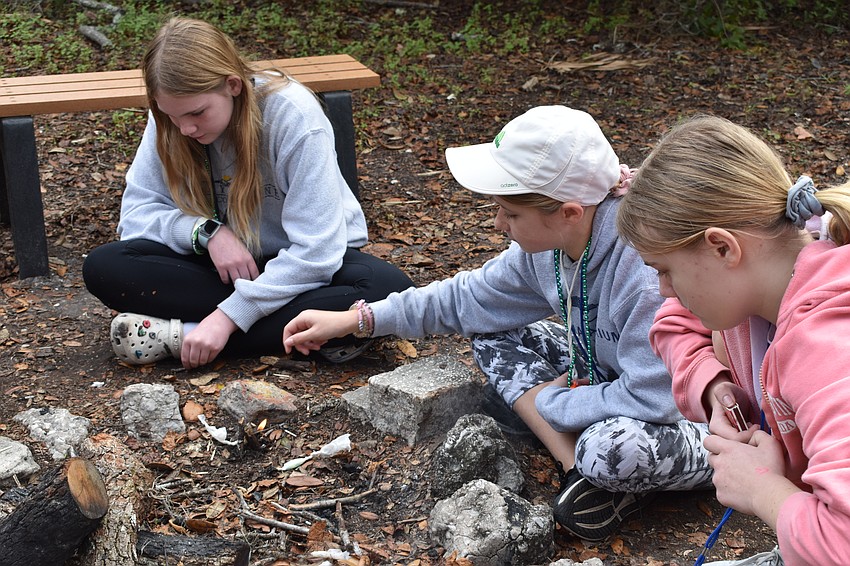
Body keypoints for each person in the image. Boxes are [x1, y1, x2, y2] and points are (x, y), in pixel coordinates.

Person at [282, 105, 714, 541]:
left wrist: (557, 403)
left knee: (609, 450)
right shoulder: (545, 249)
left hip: (693, 416)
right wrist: (359, 319)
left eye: (511, 213)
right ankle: (574, 473)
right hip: (606, 375)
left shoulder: (643, 274)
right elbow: (466, 299)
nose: (498, 223)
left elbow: (659, 398)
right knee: (491, 331)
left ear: (569, 213)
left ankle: (609, 471)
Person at [82, 17, 413, 370]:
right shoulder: (174, 116)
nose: (186, 128)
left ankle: (184, 336)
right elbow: (136, 215)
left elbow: (317, 252)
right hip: (225, 270)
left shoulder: (294, 116)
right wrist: (206, 233)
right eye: (172, 116)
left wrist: (225, 318)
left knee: (386, 289)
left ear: (233, 85)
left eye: (197, 113)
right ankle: (320, 334)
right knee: (105, 266)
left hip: (305, 269)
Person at [616, 114, 850, 565]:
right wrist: (714, 386)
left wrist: (765, 490)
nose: (663, 290)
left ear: (722, 247)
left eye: (665, 270)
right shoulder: (763, 279)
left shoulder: (828, 347)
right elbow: (673, 320)